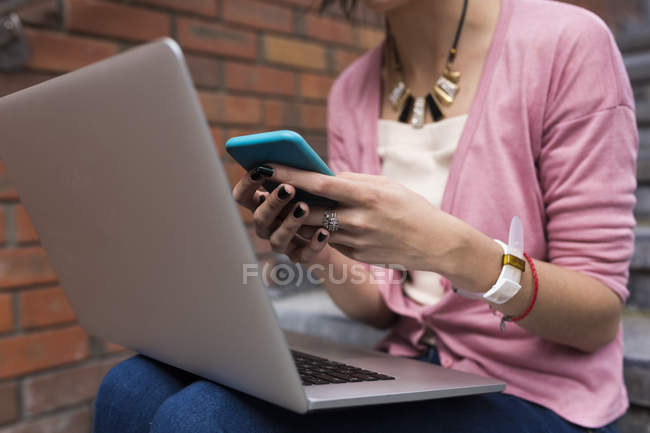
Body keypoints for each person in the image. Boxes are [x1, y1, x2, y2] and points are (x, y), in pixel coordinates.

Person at [93, 0, 637, 431]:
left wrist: (453, 251)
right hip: (414, 369)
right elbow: (380, 310)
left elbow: (597, 318)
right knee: (129, 386)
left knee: (203, 420)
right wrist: (317, 247)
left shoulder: (566, 42)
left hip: (542, 397)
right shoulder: (352, 90)